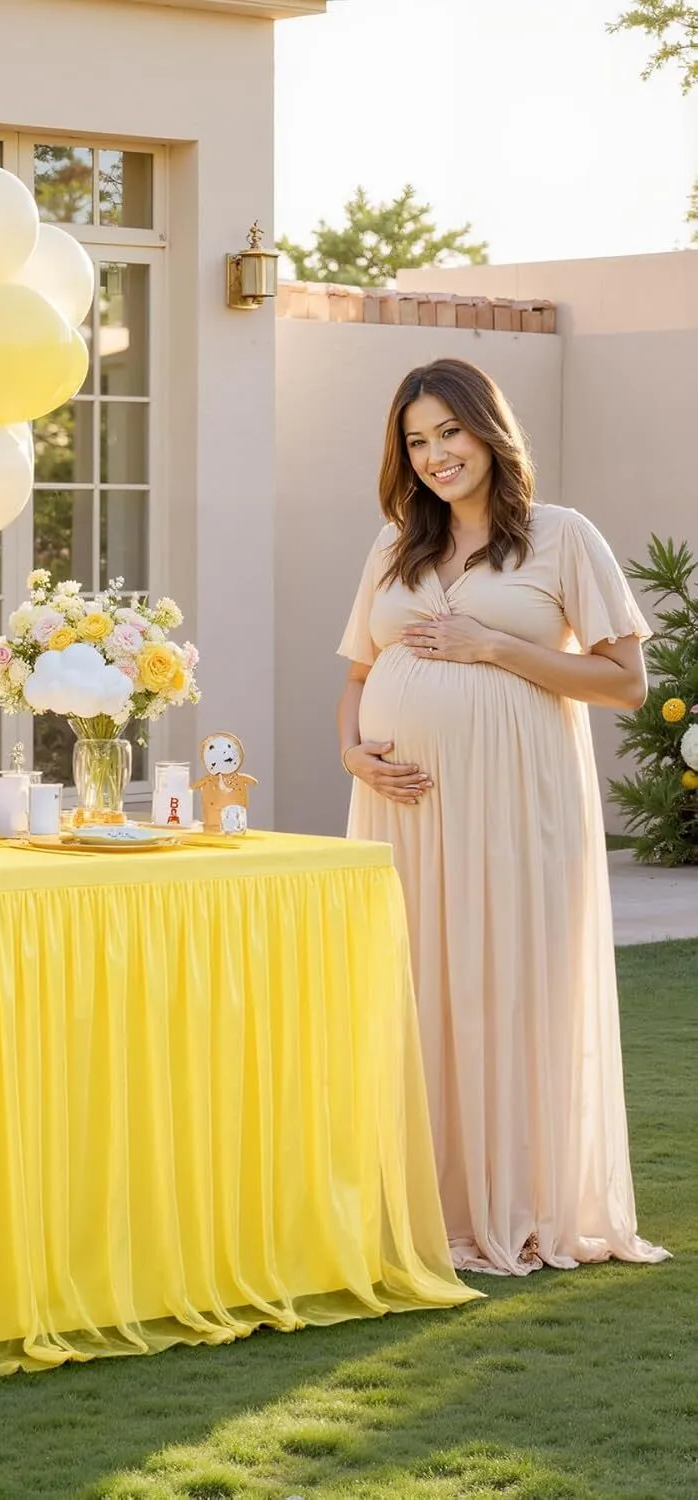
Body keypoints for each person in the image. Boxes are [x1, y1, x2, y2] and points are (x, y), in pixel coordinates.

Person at [336, 357, 669, 1277]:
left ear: (488, 429)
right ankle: (421, 1197)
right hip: (399, 808)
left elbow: (626, 683)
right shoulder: (395, 543)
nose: (436, 454)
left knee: (505, 987)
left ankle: (517, 1204)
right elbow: (360, 675)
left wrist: (495, 647)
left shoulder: (562, 538)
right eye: (417, 440)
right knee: (413, 989)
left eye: (450, 432)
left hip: (516, 806)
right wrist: (352, 751)